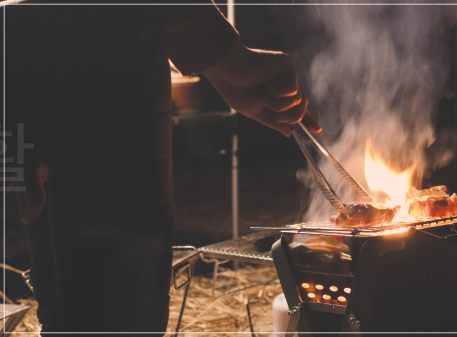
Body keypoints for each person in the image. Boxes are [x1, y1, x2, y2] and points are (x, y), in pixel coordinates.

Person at [5, 1, 319, 334]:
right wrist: (225, 54)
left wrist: (220, 61)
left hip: (20, 55)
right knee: (119, 306)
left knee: (62, 298)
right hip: (96, 62)